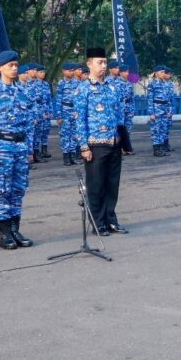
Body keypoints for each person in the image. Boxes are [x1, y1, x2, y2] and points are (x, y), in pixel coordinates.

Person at [0, 50, 35, 250]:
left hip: (20, 146)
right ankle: (4, 233)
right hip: (2, 145)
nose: (14, 69)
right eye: (10, 66)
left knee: (19, 188)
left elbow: (29, 122)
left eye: (15, 65)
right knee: (2, 190)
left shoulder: (22, 91)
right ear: (0, 68)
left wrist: (30, 149)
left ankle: (15, 229)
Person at [74, 47, 128, 236]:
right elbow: (80, 120)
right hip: (95, 145)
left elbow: (117, 116)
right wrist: (83, 147)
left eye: (105, 62)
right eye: (99, 62)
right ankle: (98, 223)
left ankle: (111, 219)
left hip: (113, 143)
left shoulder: (111, 87)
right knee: (96, 186)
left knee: (112, 185)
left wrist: (122, 143)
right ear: (89, 64)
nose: (103, 66)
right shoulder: (83, 89)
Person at [56, 62, 79, 165]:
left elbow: (79, 99)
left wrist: (78, 112)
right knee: (65, 134)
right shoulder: (61, 83)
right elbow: (58, 100)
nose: (71, 72)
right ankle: (66, 157)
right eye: (69, 70)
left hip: (74, 111)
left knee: (74, 134)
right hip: (65, 110)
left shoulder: (77, 83)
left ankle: (73, 156)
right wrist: (59, 115)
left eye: (72, 70)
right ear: (63, 71)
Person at [147, 65, 172, 157]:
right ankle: (156, 149)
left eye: (163, 72)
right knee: (156, 130)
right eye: (161, 72)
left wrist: (169, 110)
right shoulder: (152, 84)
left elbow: (168, 99)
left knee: (163, 129)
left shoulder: (165, 84)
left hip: (164, 109)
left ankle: (161, 148)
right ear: (156, 73)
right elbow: (150, 99)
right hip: (156, 109)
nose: (163, 74)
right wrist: (151, 113)